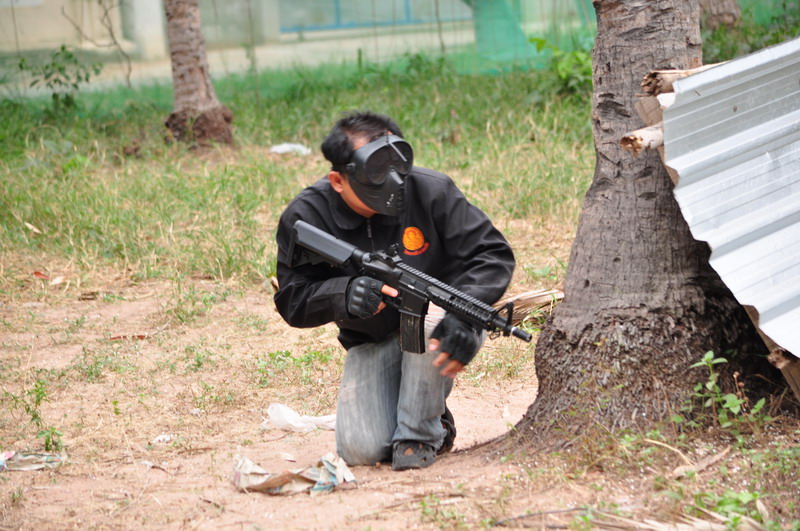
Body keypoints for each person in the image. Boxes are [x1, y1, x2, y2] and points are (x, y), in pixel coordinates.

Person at [274, 110, 515, 471]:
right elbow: (292, 300)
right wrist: (345, 294)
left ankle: (420, 435)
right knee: (360, 451)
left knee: (430, 317)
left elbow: (492, 255)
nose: (392, 181)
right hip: (373, 342)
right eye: (375, 170)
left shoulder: (432, 190)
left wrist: (464, 315)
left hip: (439, 324)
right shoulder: (307, 216)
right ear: (338, 180)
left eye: (397, 164)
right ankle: (432, 414)